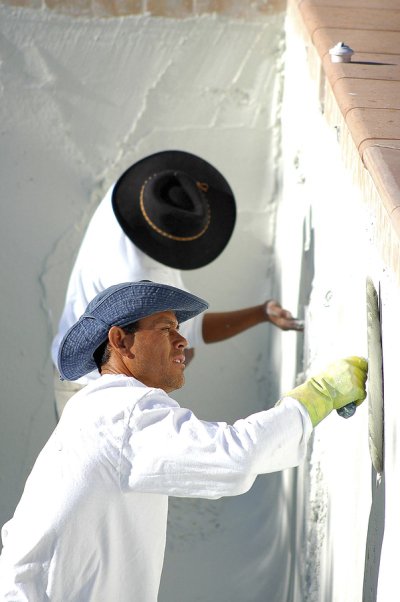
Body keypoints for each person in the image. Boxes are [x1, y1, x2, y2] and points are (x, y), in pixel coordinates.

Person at [0, 281, 367, 601]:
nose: (182, 340)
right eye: (166, 329)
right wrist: (319, 395)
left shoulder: (93, 413)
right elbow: (234, 458)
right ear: (119, 340)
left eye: (178, 327)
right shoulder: (121, 410)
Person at [51, 150, 303, 416]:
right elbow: (190, 335)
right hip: (97, 396)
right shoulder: (138, 277)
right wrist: (260, 313)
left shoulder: (128, 197)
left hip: (77, 374)